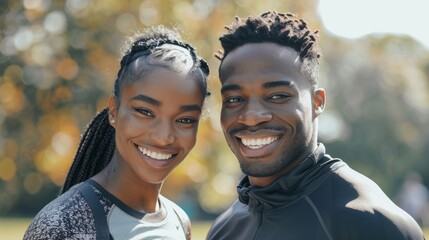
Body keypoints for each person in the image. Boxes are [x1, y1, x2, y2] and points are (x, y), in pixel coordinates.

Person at [206, 11, 424, 240]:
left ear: (317, 102)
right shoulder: (224, 227)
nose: (251, 117)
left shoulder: (372, 223)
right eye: (234, 99)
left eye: (277, 96)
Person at [24, 25, 210, 240]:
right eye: (145, 112)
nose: (163, 136)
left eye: (185, 120)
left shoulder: (179, 221)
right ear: (114, 111)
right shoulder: (63, 225)